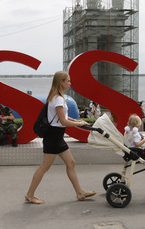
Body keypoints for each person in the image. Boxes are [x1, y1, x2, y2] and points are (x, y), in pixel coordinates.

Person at [25, 71, 96, 204]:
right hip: (53, 137)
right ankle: (29, 195)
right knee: (44, 167)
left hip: (57, 137)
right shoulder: (57, 98)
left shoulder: (57, 97)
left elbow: (63, 117)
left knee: (71, 163)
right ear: (61, 82)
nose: (70, 83)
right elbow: (63, 121)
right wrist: (78, 124)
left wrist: (77, 121)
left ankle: (79, 192)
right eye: (68, 81)